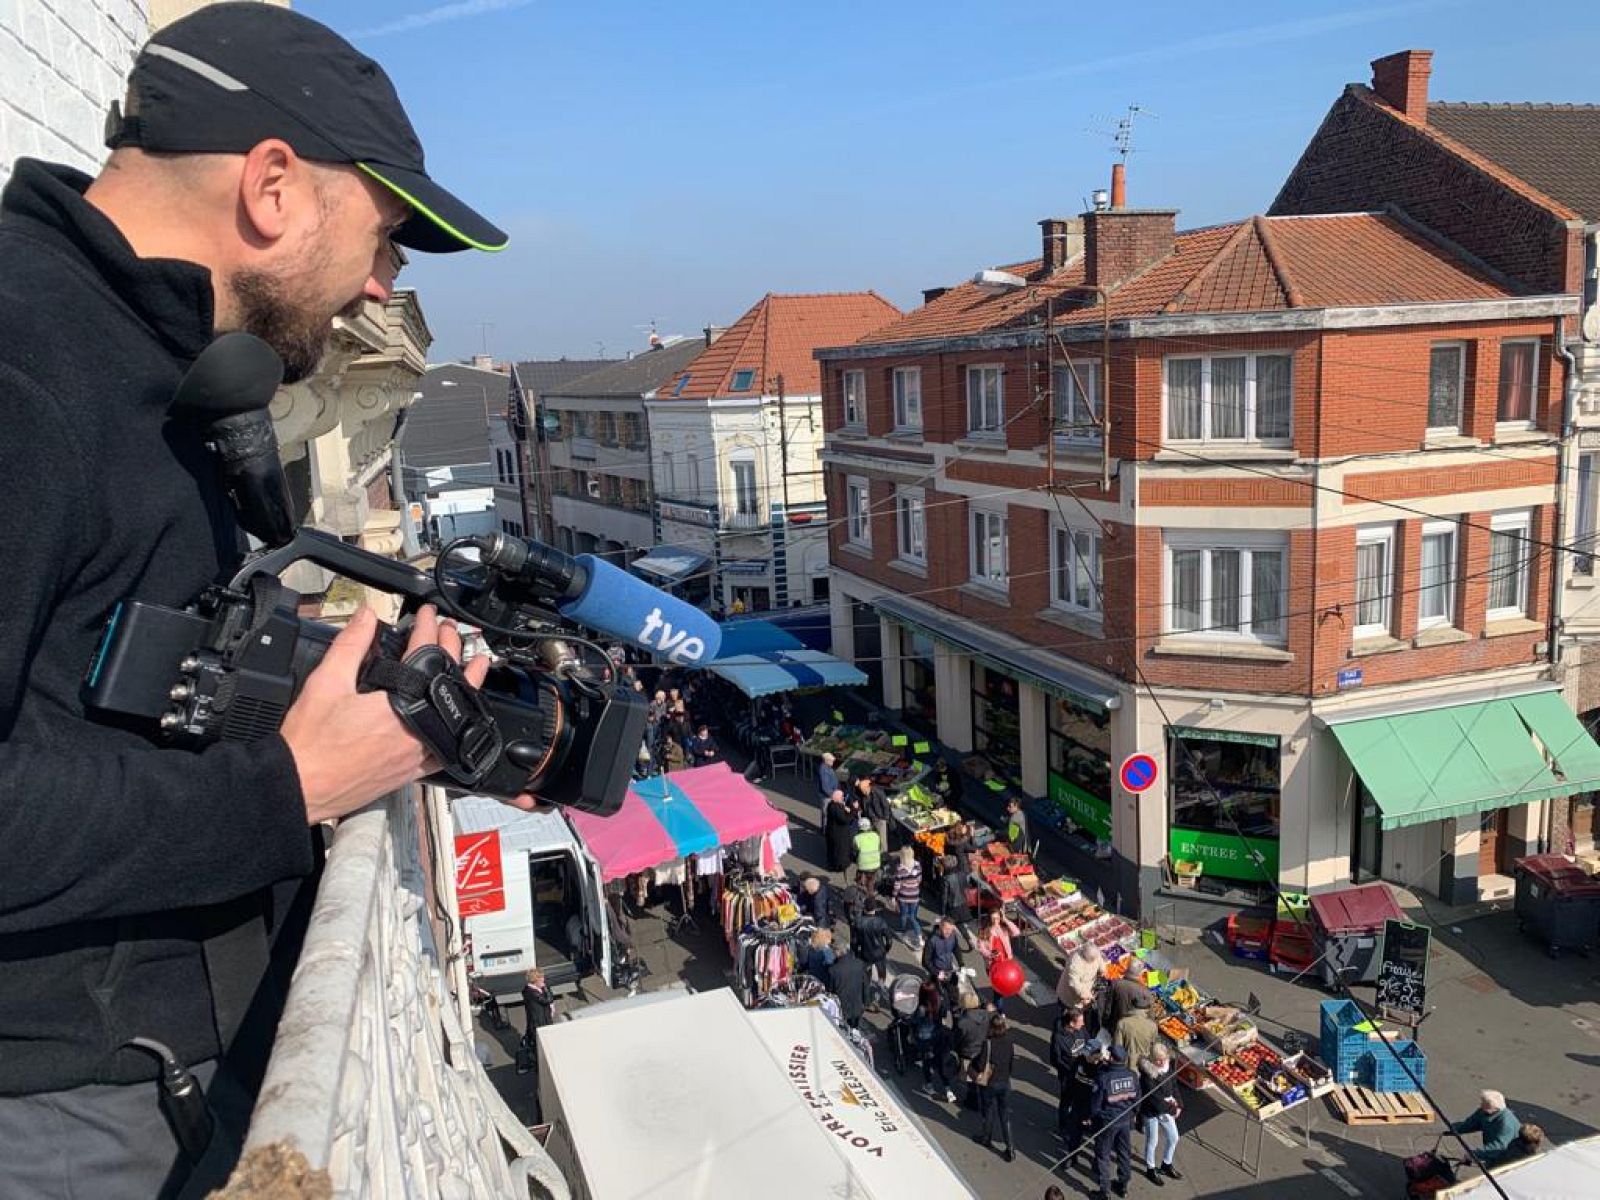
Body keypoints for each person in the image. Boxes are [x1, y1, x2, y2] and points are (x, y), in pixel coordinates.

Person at [0, 6, 512, 1196]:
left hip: (150, 1071)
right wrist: (292, 786)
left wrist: (356, 701)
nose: (384, 281)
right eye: (385, 235)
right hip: (75, 1112)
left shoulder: (141, 353)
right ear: (274, 185)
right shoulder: (27, 365)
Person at [1090, 1045, 1141, 1200]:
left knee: (1103, 1155)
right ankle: (1123, 1185)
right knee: (1124, 1153)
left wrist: (1093, 1117)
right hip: (1125, 1120)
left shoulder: (1104, 1077)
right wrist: (1133, 1114)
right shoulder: (1132, 1076)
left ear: (1112, 1059)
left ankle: (1104, 1191)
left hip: (1108, 1121)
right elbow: (1137, 1100)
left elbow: (1096, 1104)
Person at [1051, 1005, 1099, 1155]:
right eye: (1080, 1021)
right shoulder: (1059, 1038)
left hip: (1083, 1075)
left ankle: (1080, 1123)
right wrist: (1070, 1069)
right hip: (1068, 1076)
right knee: (1066, 1100)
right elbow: (1056, 1059)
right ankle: (1064, 1126)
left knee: (1082, 1101)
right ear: (1071, 1023)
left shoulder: (1081, 1031)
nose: (1083, 1024)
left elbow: (1089, 1042)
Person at [970, 1014, 1017, 1162]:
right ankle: (1010, 1148)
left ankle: (986, 1137)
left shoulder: (988, 1043)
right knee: (1005, 1115)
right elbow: (1010, 1062)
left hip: (990, 1082)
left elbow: (981, 1063)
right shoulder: (1009, 1041)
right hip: (1004, 1081)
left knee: (988, 1110)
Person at [1138, 1042, 1184, 1186]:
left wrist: (1180, 1104)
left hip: (1167, 1108)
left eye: (1163, 1059)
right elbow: (1155, 1100)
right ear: (1152, 1059)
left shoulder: (1167, 1067)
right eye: (1158, 1059)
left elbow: (1174, 1086)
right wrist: (1173, 1109)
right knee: (1153, 1141)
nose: (1161, 1062)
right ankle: (1150, 1169)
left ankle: (1166, 1163)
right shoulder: (1147, 1075)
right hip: (1152, 1111)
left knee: (1174, 1137)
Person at [1452, 1089, 1523, 1167]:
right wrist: (1452, 1129)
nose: (1481, 1105)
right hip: (1493, 1152)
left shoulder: (1506, 1123)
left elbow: (1497, 1147)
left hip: (1506, 1158)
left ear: (1493, 1107)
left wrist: (1474, 1154)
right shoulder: (1484, 1112)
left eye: (1483, 1103)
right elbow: (1470, 1124)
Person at [914, 978, 956, 1103]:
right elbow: (944, 1015)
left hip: (924, 1037)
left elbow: (916, 1021)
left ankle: (929, 1084)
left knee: (926, 1061)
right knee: (939, 1062)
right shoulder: (939, 1003)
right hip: (938, 1035)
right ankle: (948, 1089)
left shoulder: (922, 1008)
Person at [953, 993, 993, 1111]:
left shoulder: (963, 1022)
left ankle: (973, 1101)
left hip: (968, 1052)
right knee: (982, 1076)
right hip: (984, 1050)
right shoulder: (986, 1016)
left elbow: (958, 1038)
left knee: (970, 1079)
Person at [922, 916, 965, 1009]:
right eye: (946, 929)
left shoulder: (952, 935)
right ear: (940, 926)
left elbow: (956, 948)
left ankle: (955, 1011)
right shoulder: (932, 940)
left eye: (951, 929)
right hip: (936, 972)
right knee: (936, 999)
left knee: (954, 995)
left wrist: (961, 963)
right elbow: (925, 961)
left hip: (949, 969)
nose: (948, 932)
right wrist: (936, 973)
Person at [852, 898, 895, 990]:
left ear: (864, 908)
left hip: (865, 952)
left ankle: (867, 987)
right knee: (881, 970)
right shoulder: (880, 922)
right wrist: (886, 949)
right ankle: (881, 985)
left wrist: (856, 952)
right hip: (879, 952)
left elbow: (854, 941)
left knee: (866, 972)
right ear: (874, 909)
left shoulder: (858, 921)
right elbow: (889, 940)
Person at [1113, 991, 1163, 1066]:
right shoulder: (1152, 1026)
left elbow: (1117, 1047)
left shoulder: (1123, 1023)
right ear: (1146, 1010)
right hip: (1144, 1064)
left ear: (1132, 1007)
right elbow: (1153, 1046)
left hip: (1127, 1063)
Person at [939, 854, 977, 951]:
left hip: (953, 906)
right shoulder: (962, 874)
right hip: (963, 902)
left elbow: (944, 896)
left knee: (948, 924)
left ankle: (947, 943)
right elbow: (967, 885)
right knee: (959, 924)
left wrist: (942, 911)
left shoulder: (946, 879)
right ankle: (969, 940)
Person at [829, 939, 869, 1031]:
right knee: (855, 1029)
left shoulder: (833, 970)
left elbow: (831, 991)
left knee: (844, 1031)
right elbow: (865, 985)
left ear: (838, 951)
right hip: (857, 1005)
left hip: (842, 1009)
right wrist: (865, 1002)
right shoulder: (859, 964)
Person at [892, 846, 924, 949]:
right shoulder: (917, 865)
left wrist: (894, 896)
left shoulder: (900, 868)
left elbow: (897, 884)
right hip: (915, 895)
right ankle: (919, 936)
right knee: (913, 916)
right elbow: (919, 879)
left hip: (904, 896)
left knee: (903, 915)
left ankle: (903, 931)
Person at [825, 790, 856, 874]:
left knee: (834, 850)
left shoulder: (833, 805)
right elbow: (844, 820)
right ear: (837, 798)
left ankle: (835, 865)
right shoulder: (835, 807)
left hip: (834, 832)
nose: (843, 798)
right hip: (838, 833)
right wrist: (853, 810)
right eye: (842, 797)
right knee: (839, 850)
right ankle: (839, 866)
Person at [852, 817, 883, 892]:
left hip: (863, 865)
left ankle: (859, 887)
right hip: (876, 864)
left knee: (860, 874)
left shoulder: (856, 838)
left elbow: (854, 851)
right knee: (871, 879)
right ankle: (871, 888)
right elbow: (880, 848)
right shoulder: (876, 835)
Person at [816, 752, 839, 826]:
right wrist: (832, 795)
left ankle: (826, 829)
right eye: (831, 761)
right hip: (827, 796)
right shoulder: (824, 770)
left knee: (827, 813)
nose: (833, 762)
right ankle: (825, 830)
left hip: (830, 794)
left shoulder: (827, 767)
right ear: (826, 760)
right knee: (826, 813)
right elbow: (825, 786)